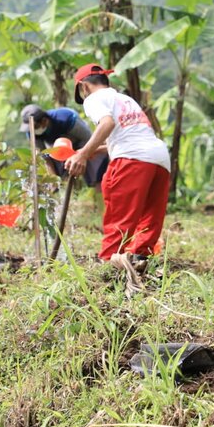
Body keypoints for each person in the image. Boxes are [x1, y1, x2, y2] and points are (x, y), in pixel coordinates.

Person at [64, 64, 170, 272]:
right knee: (150, 217)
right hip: (159, 158)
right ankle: (140, 261)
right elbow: (130, 134)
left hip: (132, 159)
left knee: (119, 216)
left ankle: (108, 266)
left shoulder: (94, 99)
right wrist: (97, 149)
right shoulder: (125, 99)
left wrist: (83, 154)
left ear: (83, 87)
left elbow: (107, 124)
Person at [19, 104, 108, 187]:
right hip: (58, 149)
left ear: (44, 121)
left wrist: (81, 155)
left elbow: (89, 140)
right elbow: (45, 156)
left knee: (96, 174)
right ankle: (69, 188)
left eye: (36, 126)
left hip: (81, 143)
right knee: (60, 169)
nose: (33, 130)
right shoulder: (32, 134)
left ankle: (98, 186)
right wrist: (54, 181)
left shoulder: (65, 119)